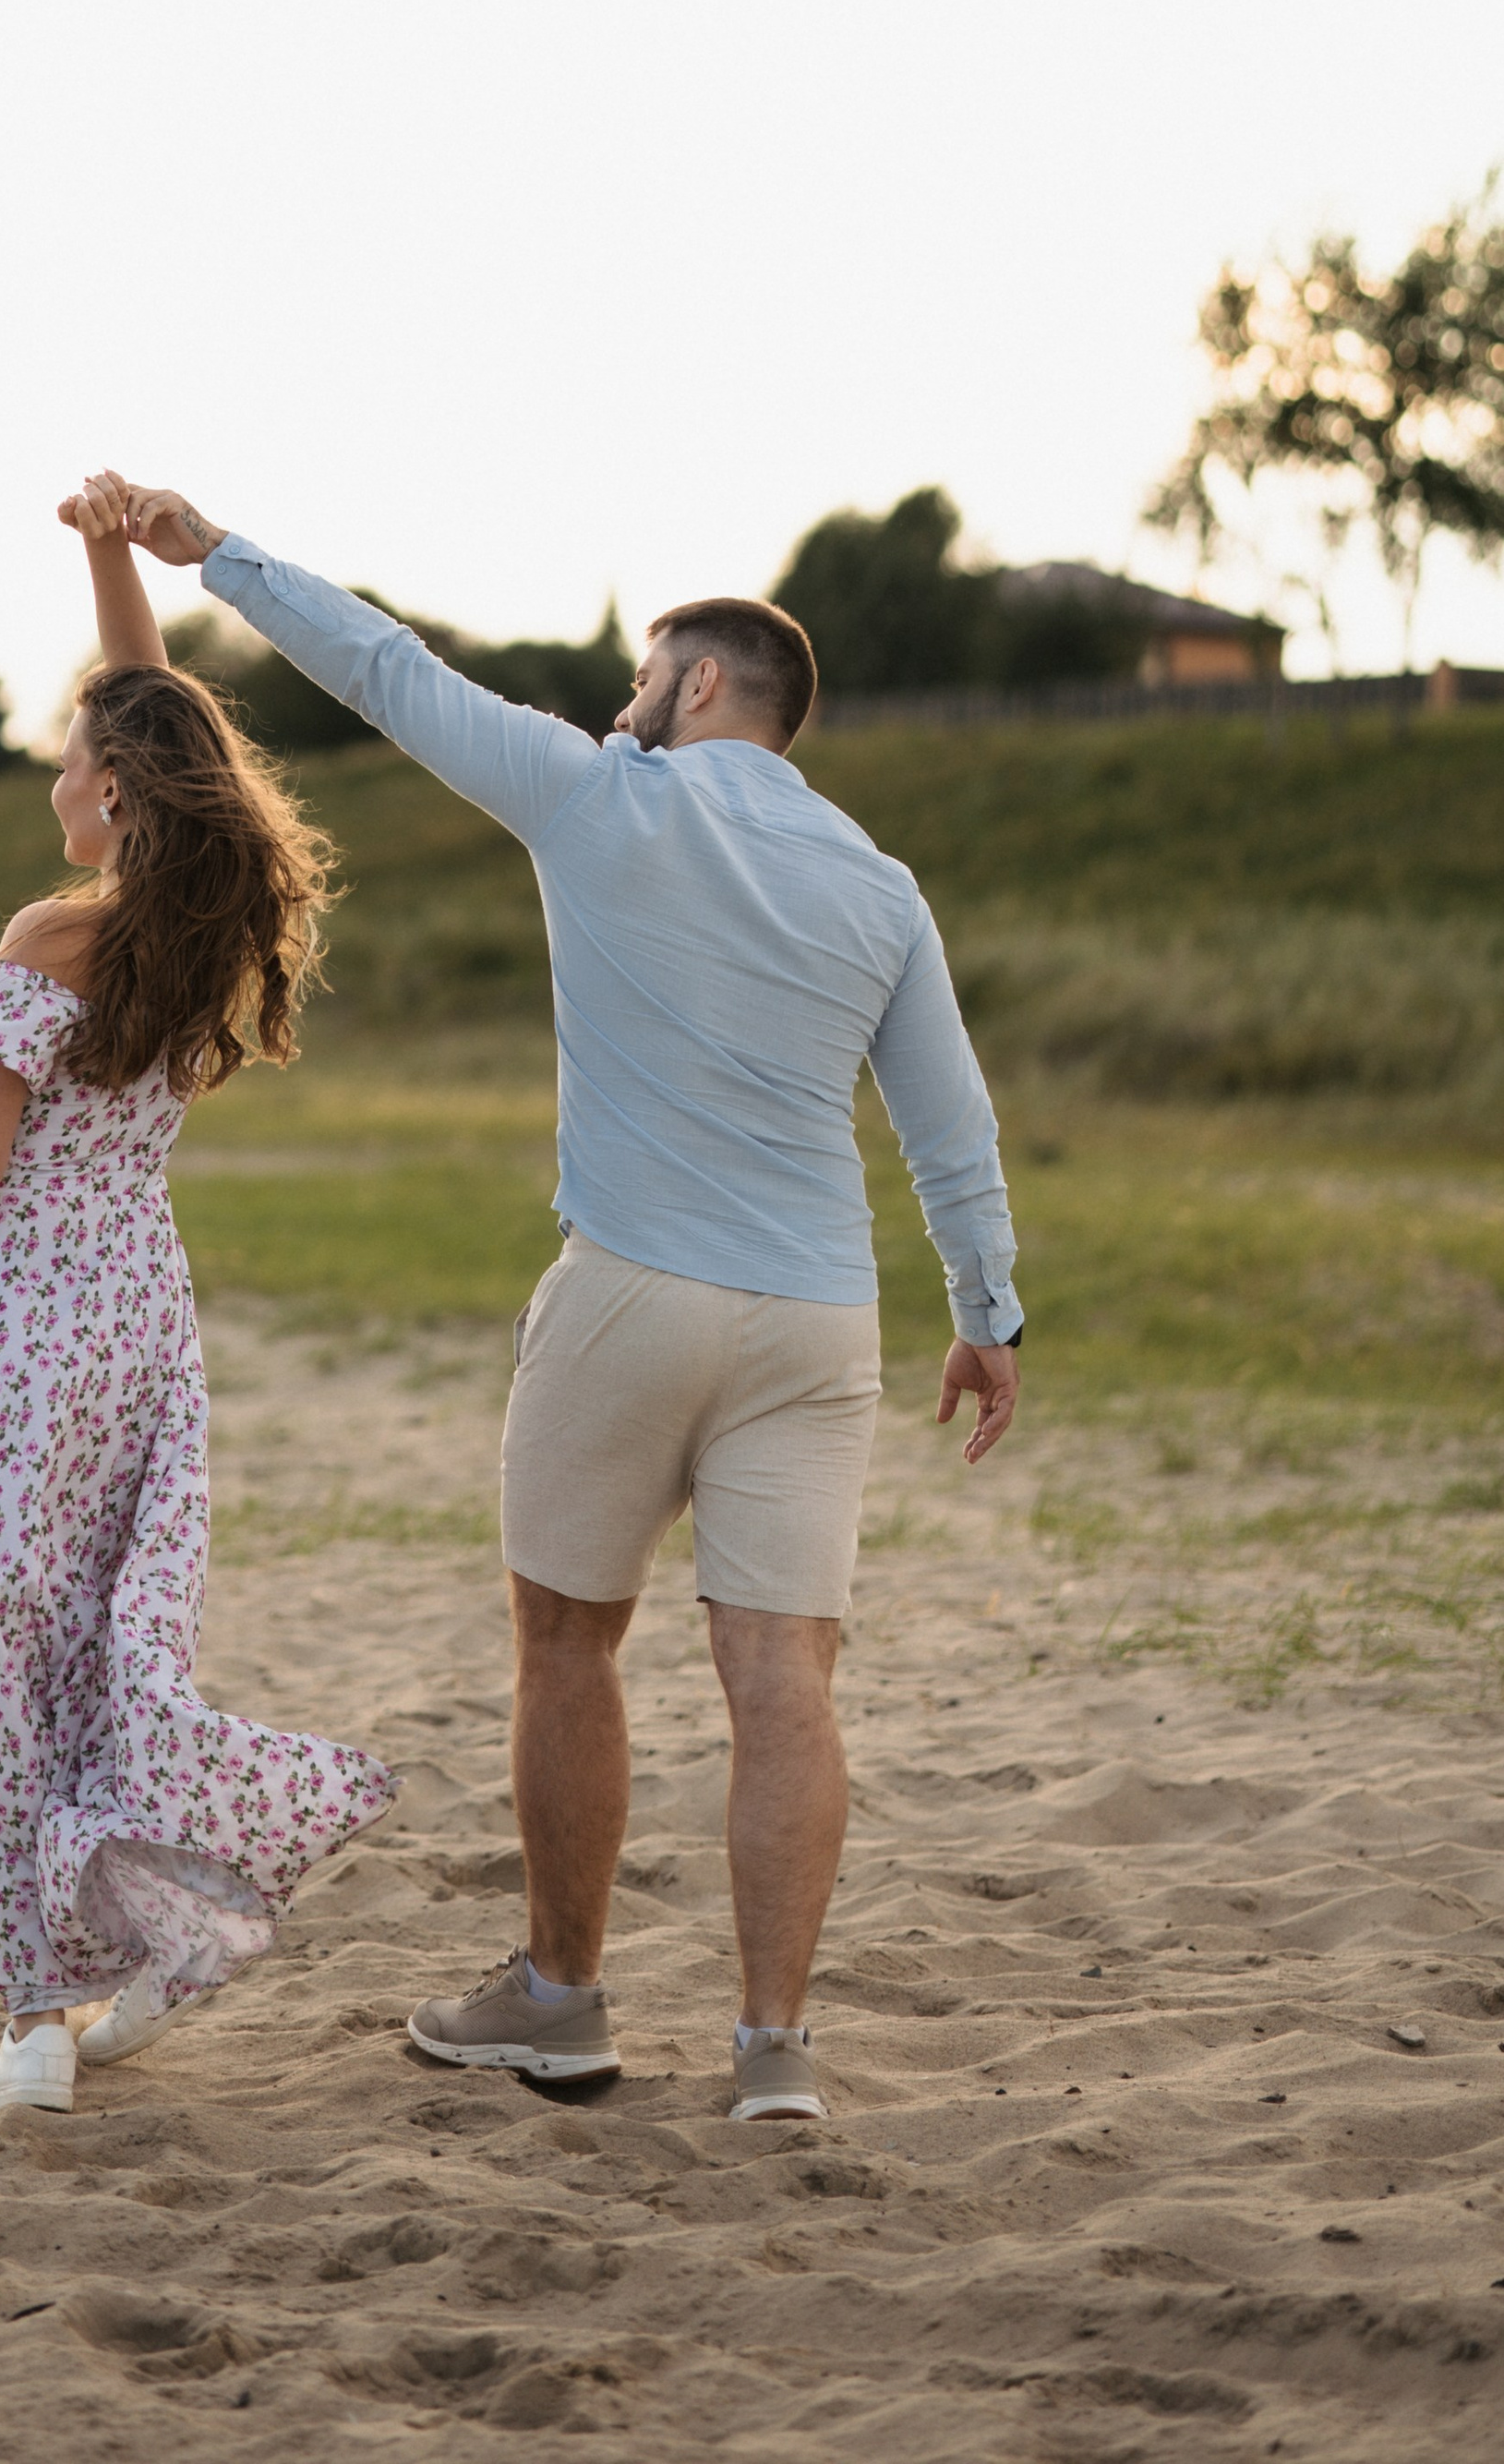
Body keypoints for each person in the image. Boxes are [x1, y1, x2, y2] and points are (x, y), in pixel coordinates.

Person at [114, 486, 1022, 2121]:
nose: (620, 702)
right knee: (782, 1677)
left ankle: (563, 2000)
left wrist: (215, 554)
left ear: (698, 690)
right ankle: (774, 2055)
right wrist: (990, 1313)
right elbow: (949, 1124)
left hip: (630, 1295)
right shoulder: (880, 886)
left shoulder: (605, 797)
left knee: (566, 1641)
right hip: (820, 1321)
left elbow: (388, 673)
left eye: (641, 675)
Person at [0, 476, 398, 2115]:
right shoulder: (209, 930)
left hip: (18, 1331)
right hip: (139, 1333)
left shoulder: (51, 937)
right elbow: (162, 723)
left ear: (110, 790)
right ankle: (140, 1941)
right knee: (98, 1649)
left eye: (69, 758)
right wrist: (107, 562)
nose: (53, 775)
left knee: (25, 1670)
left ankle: (36, 2018)